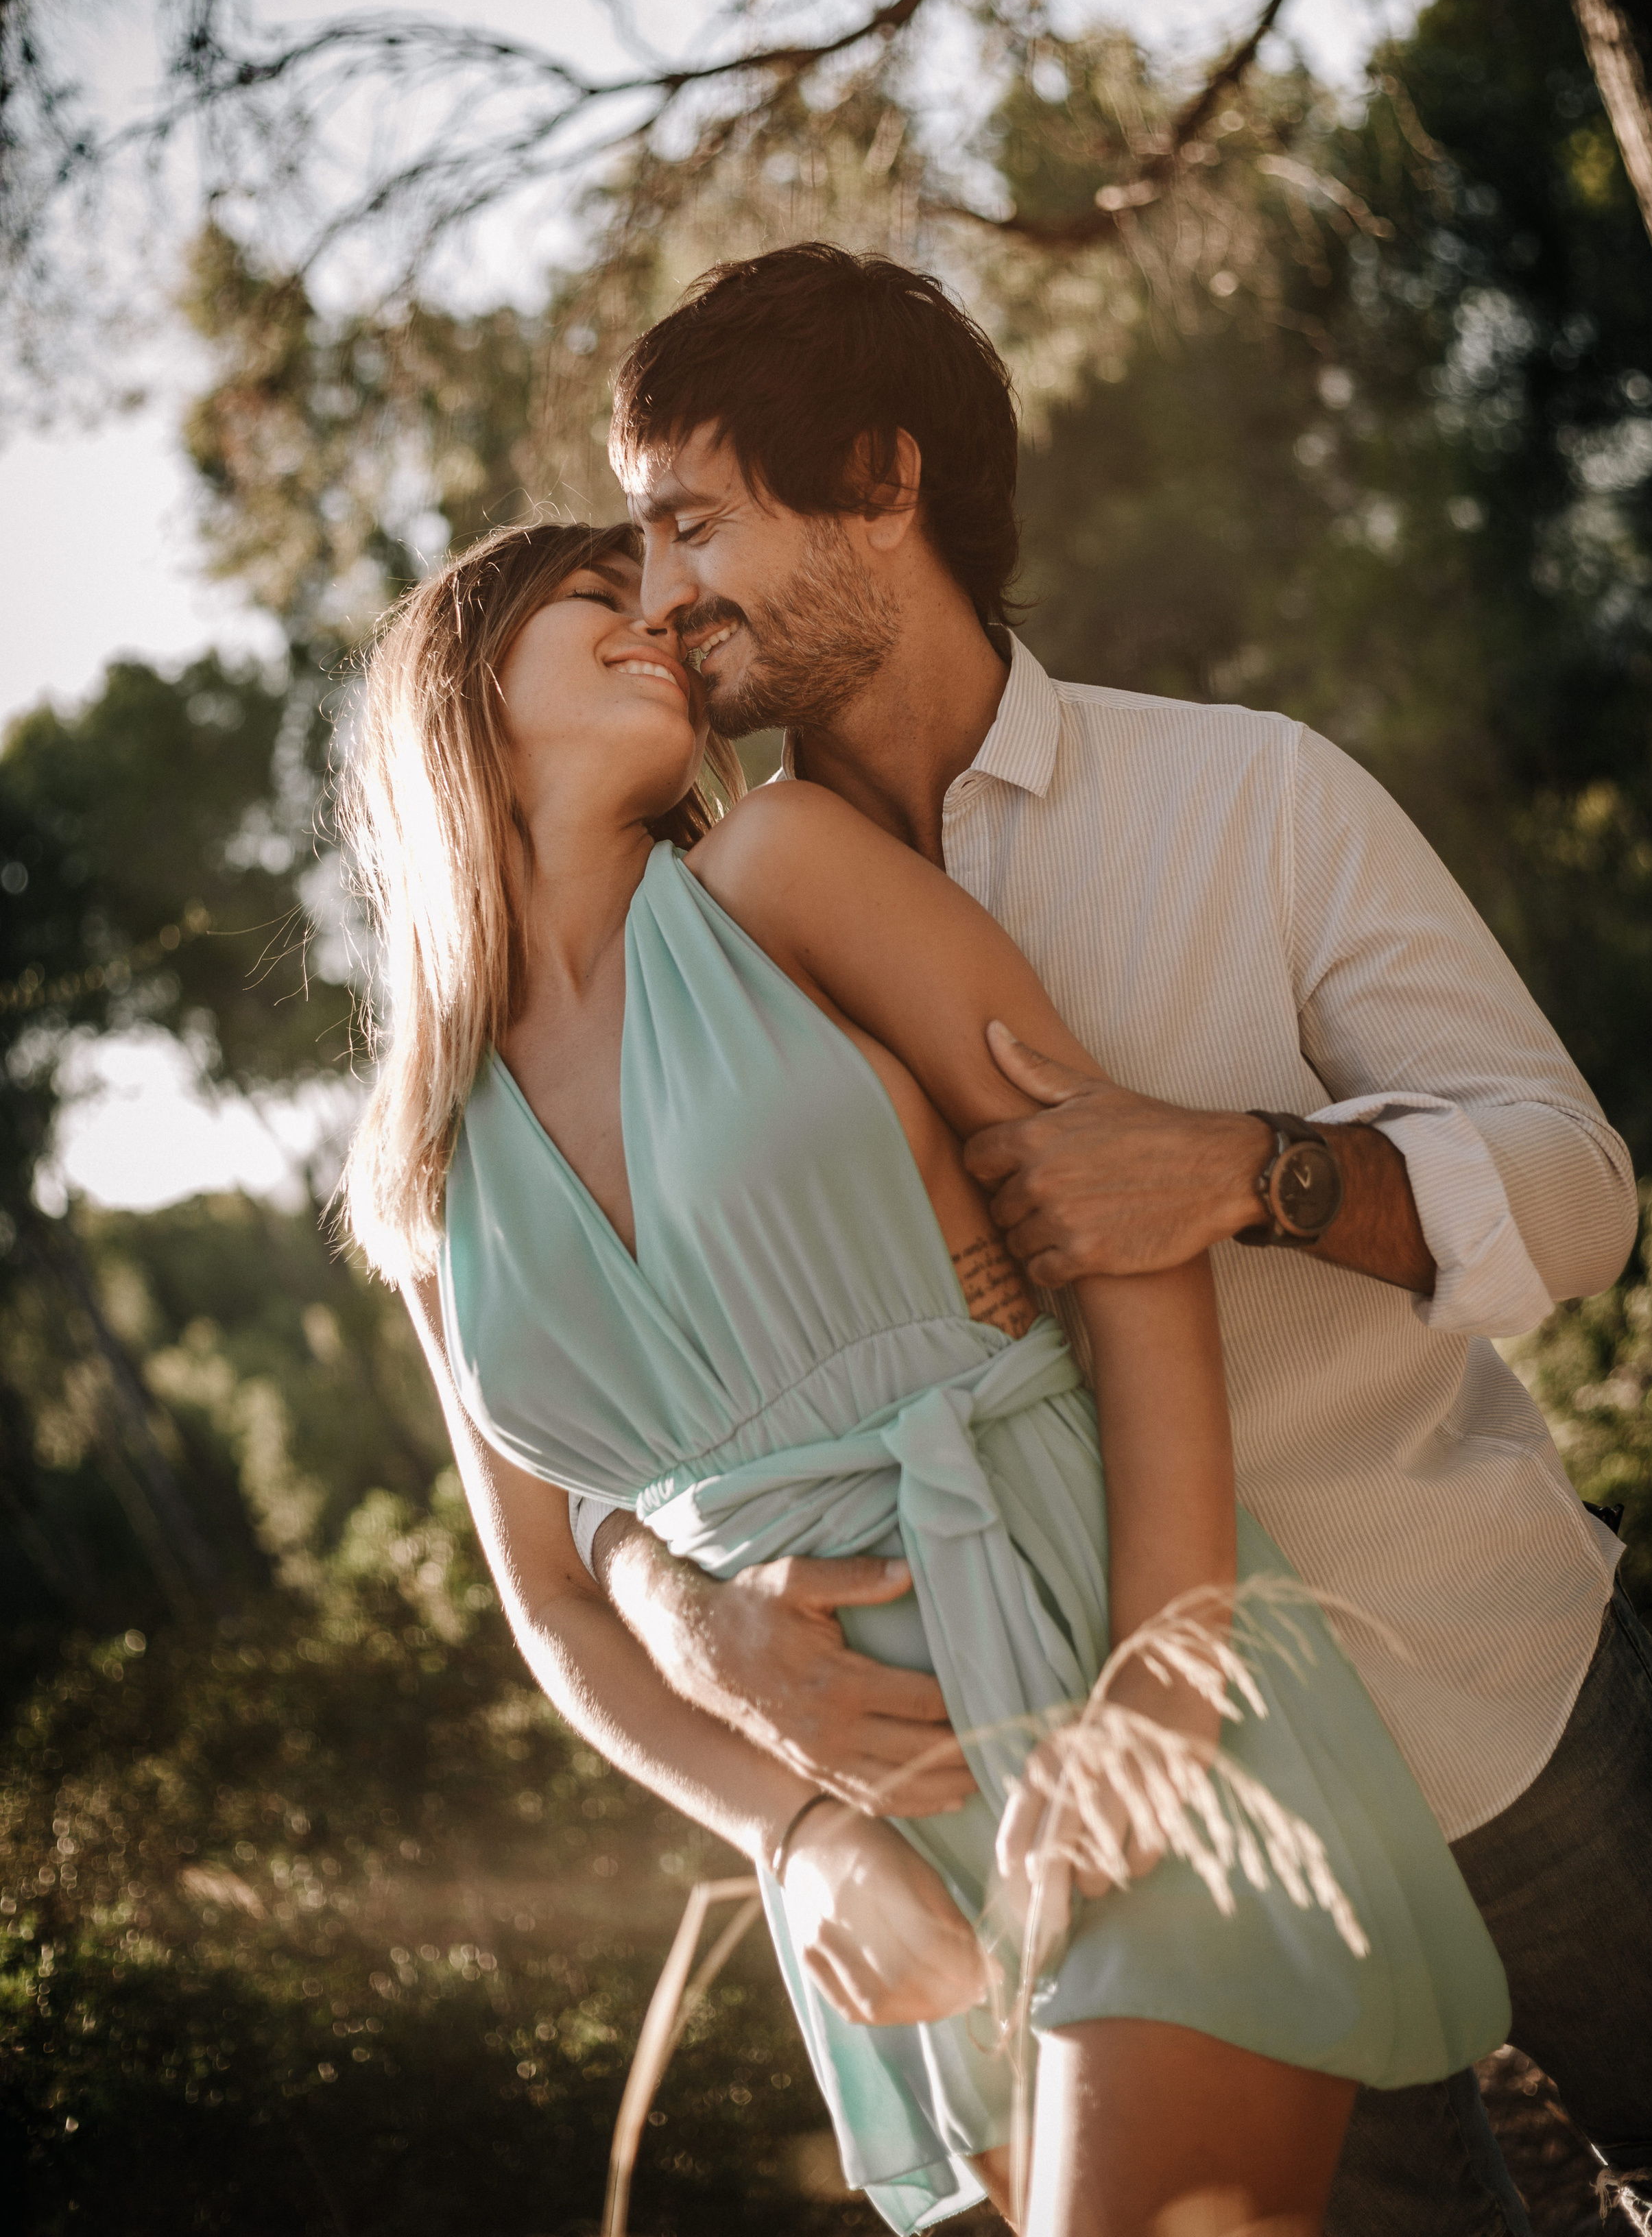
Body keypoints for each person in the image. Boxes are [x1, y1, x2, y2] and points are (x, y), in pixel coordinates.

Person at [479, 243, 1652, 2237]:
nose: (658, 596)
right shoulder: (699, 944)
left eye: (692, 522)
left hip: (1460, 1665)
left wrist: (1263, 1172)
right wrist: (664, 1592)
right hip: (1140, 1813)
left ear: (884, 478)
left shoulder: (1249, 795)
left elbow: (1571, 1186)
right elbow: (641, 1386)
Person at [345, 515, 1513, 2237]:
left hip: (1090, 1665)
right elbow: (551, 1597)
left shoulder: (780, 874)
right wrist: (794, 1831)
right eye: (594, 599)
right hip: (867, 1834)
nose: (654, 618)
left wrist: (1160, 1689)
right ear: (453, 695)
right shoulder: (419, 1166)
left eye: (654, 590)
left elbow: (1125, 1238)